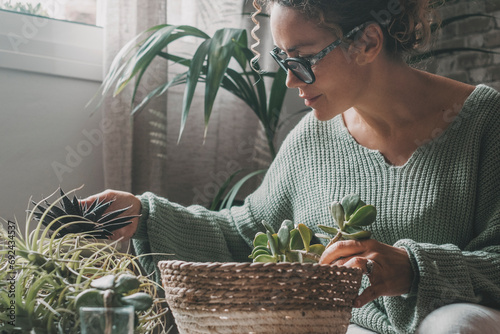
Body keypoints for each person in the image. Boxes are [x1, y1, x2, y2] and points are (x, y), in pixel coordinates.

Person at [84, 0, 500, 332]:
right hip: (346, 327)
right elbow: (245, 234)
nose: (290, 81)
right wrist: (144, 213)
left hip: (454, 323)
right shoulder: (312, 138)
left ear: (368, 43)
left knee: (455, 324)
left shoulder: (485, 122)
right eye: (283, 60)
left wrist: (414, 268)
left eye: (301, 59)